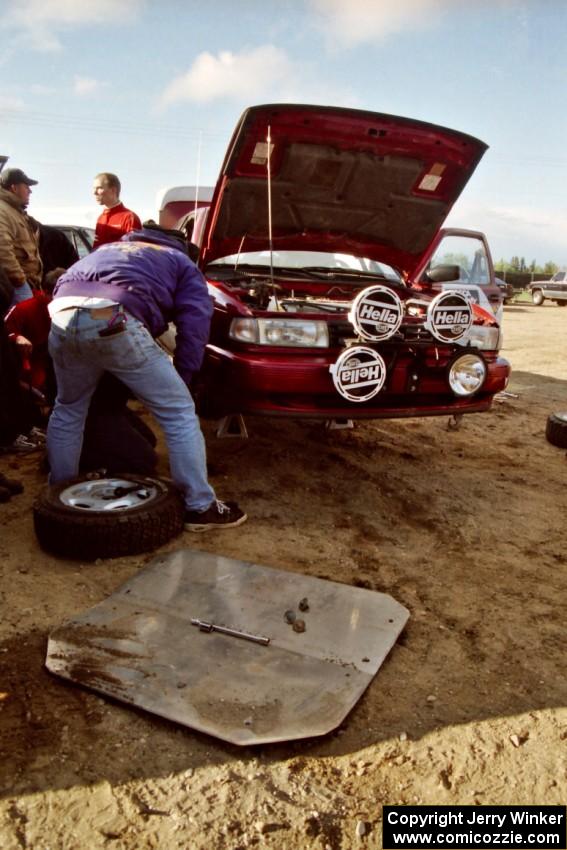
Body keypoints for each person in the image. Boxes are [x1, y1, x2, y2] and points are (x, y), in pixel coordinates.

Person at [46, 222, 246, 532]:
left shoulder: (109, 249)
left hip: (62, 311)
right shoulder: (181, 263)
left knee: (69, 407)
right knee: (178, 411)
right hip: (112, 316)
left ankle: (58, 496)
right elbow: (194, 327)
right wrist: (185, 377)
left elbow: (67, 287)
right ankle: (199, 506)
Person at [0, 168, 42, 304]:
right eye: (26, 186)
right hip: (16, 287)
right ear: (14, 188)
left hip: (27, 284)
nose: (30, 191)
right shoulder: (3, 211)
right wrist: (20, 282)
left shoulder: (15, 211)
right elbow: (2, 250)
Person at [92, 172, 141, 249]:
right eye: (94, 188)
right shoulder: (100, 218)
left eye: (99, 188)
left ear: (113, 190)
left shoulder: (129, 218)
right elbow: (96, 249)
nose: (94, 192)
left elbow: (133, 253)